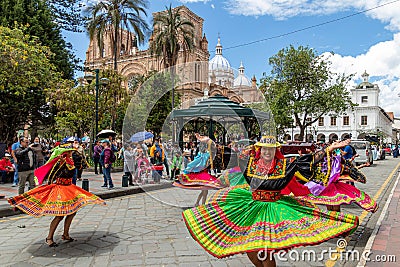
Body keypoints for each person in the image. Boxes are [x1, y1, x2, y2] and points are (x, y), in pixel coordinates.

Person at [182, 136, 359, 266]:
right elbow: (226, 153)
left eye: (271, 149)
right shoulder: (249, 163)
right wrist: (209, 141)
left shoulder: (285, 166)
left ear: (276, 150)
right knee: (251, 251)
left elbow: (309, 159)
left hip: (273, 210)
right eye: (264, 148)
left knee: (265, 253)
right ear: (260, 149)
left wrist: (329, 149)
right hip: (250, 208)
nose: (267, 152)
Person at [8, 147, 106, 247]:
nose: (70, 153)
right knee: (60, 215)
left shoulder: (71, 161)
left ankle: (66, 234)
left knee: (72, 212)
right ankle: (49, 238)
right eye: (68, 151)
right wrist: (59, 165)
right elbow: (52, 175)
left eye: (70, 151)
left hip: (69, 188)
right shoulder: (59, 162)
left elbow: (79, 167)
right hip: (60, 189)